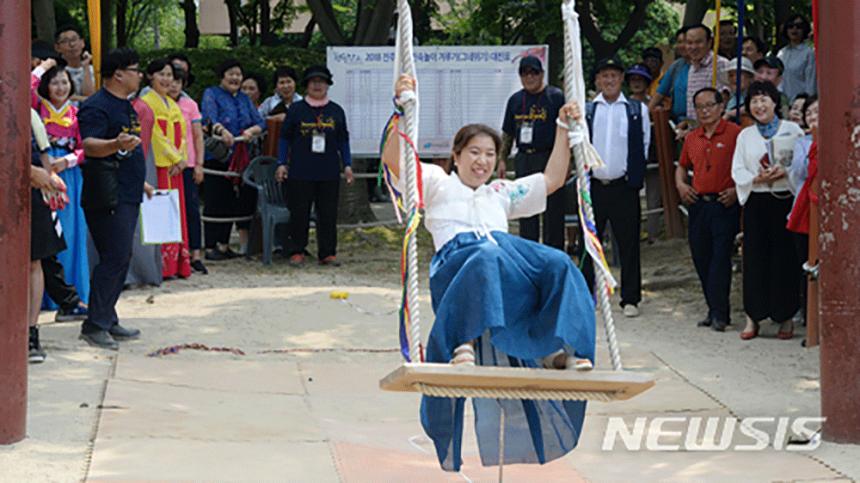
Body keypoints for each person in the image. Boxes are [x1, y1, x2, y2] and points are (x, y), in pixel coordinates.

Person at [382, 74, 595, 472]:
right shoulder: (438, 183)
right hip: (458, 266)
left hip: (500, 261)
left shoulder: (501, 193)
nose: (482, 161)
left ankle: (560, 344)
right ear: (457, 155)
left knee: (558, 263)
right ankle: (462, 339)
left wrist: (565, 129)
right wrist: (400, 110)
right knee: (484, 254)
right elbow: (396, 161)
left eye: (490, 155)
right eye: (474, 152)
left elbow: (551, 180)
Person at [77, 47, 150, 350]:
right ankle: (95, 324)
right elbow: (90, 145)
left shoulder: (127, 105)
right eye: (135, 69)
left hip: (128, 189)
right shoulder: (97, 106)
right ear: (118, 74)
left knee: (121, 256)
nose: (140, 75)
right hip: (106, 194)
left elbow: (128, 148)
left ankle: (107, 315)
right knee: (115, 256)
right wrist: (114, 143)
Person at [731, 81, 805, 341]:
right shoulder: (745, 135)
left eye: (764, 99)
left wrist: (786, 172)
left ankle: (785, 317)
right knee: (754, 258)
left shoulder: (793, 130)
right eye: (754, 101)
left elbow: (802, 166)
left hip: (784, 198)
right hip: (757, 200)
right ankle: (753, 317)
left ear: (775, 102)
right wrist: (755, 179)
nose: (759, 105)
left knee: (784, 258)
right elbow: (737, 169)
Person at [584, 58, 650, 318]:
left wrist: (635, 176)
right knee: (589, 242)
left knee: (629, 243)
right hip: (594, 186)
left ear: (621, 78)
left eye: (614, 75)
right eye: (604, 76)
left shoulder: (636, 109)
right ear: (597, 81)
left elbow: (643, 145)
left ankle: (630, 298)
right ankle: (587, 294)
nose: (609, 80)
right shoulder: (589, 110)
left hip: (624, 186)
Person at [676, 88, 741, 331]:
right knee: (700, 256)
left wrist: (736, 190)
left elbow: (748, 165)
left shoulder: (736, 133)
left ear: (721, 106)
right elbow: (681, 166)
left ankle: (720, 314)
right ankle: (712, 308)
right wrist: (681, 185)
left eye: (709, 105)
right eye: (699, 107)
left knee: (720, 259)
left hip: (724, 204)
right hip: (698, 205)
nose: (705, 111)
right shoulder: (692, 137)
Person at [275, 65, 354, 266]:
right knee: (299, 212)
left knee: (327, 213)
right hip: (300, 171)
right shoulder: (296, 109)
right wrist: (282, 163)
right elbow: (284, 138)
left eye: (321, 81)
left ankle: (327, 253)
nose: (317, 85)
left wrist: (347, 164)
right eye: (313, 82)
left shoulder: (336, 111)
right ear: (307, 85)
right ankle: (297, 251)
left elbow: (343, 140)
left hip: (328, 171)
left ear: (328, 85)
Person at [33, 64, 92, 314]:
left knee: (70, 233)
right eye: (55, 82)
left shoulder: (77, 114)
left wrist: (67, 161)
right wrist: (41, 67)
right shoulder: (37, 109)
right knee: (48, 235)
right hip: (41, 173)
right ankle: (47, 297)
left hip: (69, 175)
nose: (60, 87)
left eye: (65, 82)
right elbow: (28, 87)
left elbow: (85, 148)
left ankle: (71, 293)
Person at [498, 55, 567, 249]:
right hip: (524, 158)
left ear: (542, 74)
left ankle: (554, 252)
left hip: (549, 157)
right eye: (525, 73)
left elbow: (566, 131)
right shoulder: (515, 100)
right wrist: (502, 159)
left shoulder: (555, 97)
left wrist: (566, 162)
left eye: (534, 72)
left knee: (553, 210)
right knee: (525, 208)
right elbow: (507, 133)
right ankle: (529, 251)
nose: (530, 77)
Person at [200, 59, 266, 260]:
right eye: (231, 74)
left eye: (238, 74)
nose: (235, 78)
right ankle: (211, 245)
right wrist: (223, 132)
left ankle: (224, 244)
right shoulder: (211, 94)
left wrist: (251, 131)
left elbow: (261, 122)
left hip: (240, 157)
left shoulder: (245, 99)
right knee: (215, 199)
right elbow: (208, 120)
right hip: (217, 155)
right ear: (222, 76)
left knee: (230, 201)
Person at [134, 59, 192, 279]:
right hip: (160, 164)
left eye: (170, 75)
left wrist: (182, 158)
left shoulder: (172, 104)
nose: (167, 80)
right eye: (162, 74)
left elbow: (184, 136)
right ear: (150, 76)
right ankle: (162, 265)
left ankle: (177, 263)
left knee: (175, 211)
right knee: (158, 212)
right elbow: (155, 135)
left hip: (175, 165)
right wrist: (175, 157)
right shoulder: (146, 102)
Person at [29, 113, 69, 363]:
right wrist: (28, 170)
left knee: (34, 263)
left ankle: (30, 332)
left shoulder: (30, 113)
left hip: (32, 195)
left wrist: (49, 175)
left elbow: (44, 156)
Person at [168, 67, 208, 274]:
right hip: (165, 164)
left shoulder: (190, 104)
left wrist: (199, 164)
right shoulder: (157, 103)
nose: (173, 84)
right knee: (168, 209)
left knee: (191, 208)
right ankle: (171, 255)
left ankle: (195, 253)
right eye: (170, 79)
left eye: (178, 81)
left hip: (188, 163)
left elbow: (198, 135)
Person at [650, 24, 729, 128]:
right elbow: (692, 109)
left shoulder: (721, 64)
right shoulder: (692, 67)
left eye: (698, 42)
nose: (693, 47)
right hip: (692, 131)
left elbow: (725, 100)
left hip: (713, 131)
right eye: (689, 43)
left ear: (709, 42)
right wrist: (688, 124)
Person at [786, 95, 818, 327]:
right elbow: (798, 172)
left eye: (817, 112)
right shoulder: (801, 142)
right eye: (809, 114)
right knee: (804, 263)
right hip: (803, 207)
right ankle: (807, 314)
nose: (813, 117)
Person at [777, 14, 817, 99]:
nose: (794, 29)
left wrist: (807, 102)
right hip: (782, 103)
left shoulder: (809, 53)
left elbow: (811, 82)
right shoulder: (781, 53)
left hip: (800, 103)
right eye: (790, 26)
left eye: (799, 26)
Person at [54, 25, 95, 100]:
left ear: (82, 43)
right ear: (57, 47)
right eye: (65, 41)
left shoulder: (94, 70)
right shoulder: (55, 72)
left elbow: (90, 95)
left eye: (74, 39)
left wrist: (86, 67)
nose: (72, 45)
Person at [723, 57, 755, 122]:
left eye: (739, 74)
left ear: (750, 78)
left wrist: (730, 114)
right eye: (731, 75)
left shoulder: (755, 94)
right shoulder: (731, 99)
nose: (735, 78)